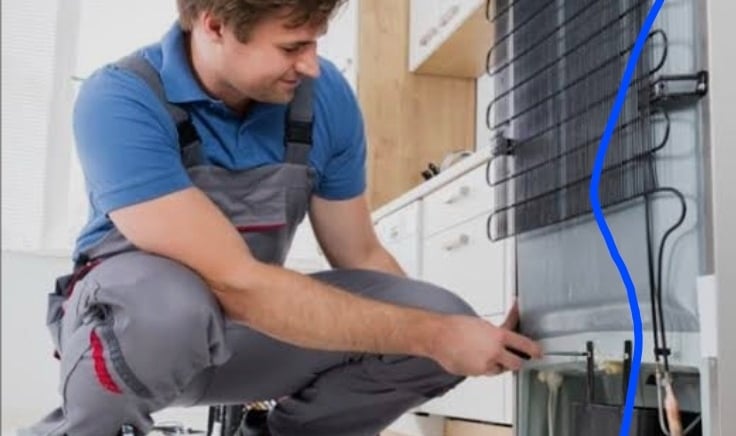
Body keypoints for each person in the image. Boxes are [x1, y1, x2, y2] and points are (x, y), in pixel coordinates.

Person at [23, 1, 542, 435]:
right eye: (292, 47)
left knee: (434, 314)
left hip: (244, 331)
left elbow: (360, 254)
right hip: (135, 332)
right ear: (215, 25)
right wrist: (433, 335)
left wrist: (446, 336)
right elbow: (233, 281)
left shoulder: (324, 97)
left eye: (315, 42)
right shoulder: (122, 97)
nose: (311, 64)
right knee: (172, 307)